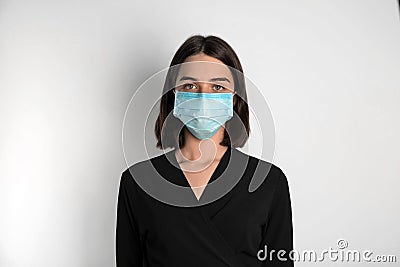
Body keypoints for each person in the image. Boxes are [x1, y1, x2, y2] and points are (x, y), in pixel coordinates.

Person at [116, 35, 294, 266]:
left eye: (217, 87)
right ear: (174, 94)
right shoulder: (138, 182)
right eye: (190, 85)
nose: (203, 97)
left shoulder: (269, 181)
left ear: (234, 96)